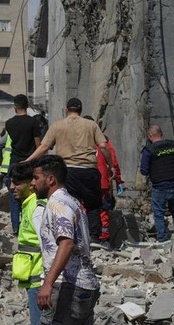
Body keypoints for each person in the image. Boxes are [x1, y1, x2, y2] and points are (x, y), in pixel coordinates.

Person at [30, 155, 100, 325]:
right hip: (87, 284)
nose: (32, 183)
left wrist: (48, 283)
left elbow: (66, 242)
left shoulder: (58, 204)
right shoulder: (73, 201)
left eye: (36, 178)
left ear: (50, 179)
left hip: (68, 285)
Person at [8, 163, 70, 325]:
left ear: (31, 185)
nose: (12, 187)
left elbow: (52, 246)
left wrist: (47, 282)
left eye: (18, 183)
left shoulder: (36, 209)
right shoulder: (29, 206)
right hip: (36, 281)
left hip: (40, 283)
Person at [26, 98, 111, 244]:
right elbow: (103, 146)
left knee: (70, 204)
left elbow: (44, 147)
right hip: (89, 170)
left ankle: (71, 237)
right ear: (81, 110)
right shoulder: (91, 125)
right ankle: (94, 238)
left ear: (66, 110)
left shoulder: (58, 125)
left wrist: (28, 160)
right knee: (93, 205)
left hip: (67, 172)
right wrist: (110, 166)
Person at [4, 94, 42, 233]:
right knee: (32, 195)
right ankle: (31, 225)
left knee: (14, 198)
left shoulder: (9, 123)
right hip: (29, 164)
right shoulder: (33, 123)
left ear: (15, 107)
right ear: (27, 105)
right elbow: (38, 145)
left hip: (14, 163)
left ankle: (16, 227)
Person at [140, 125, 174, 242]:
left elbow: (143, 170)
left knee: (159, 214)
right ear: (161, 133)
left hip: (159, 187)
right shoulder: (172, 146)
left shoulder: (149, 150)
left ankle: (162, 238)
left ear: (150, 136)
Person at [84, 116, 124, 242]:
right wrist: (118, 180)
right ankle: (102, 237)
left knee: (85, 209)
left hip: (85, 183)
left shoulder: (78, 141)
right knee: (102, 211)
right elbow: (113, 162)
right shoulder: (104, 142)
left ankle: (89, 236)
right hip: (102, 182)